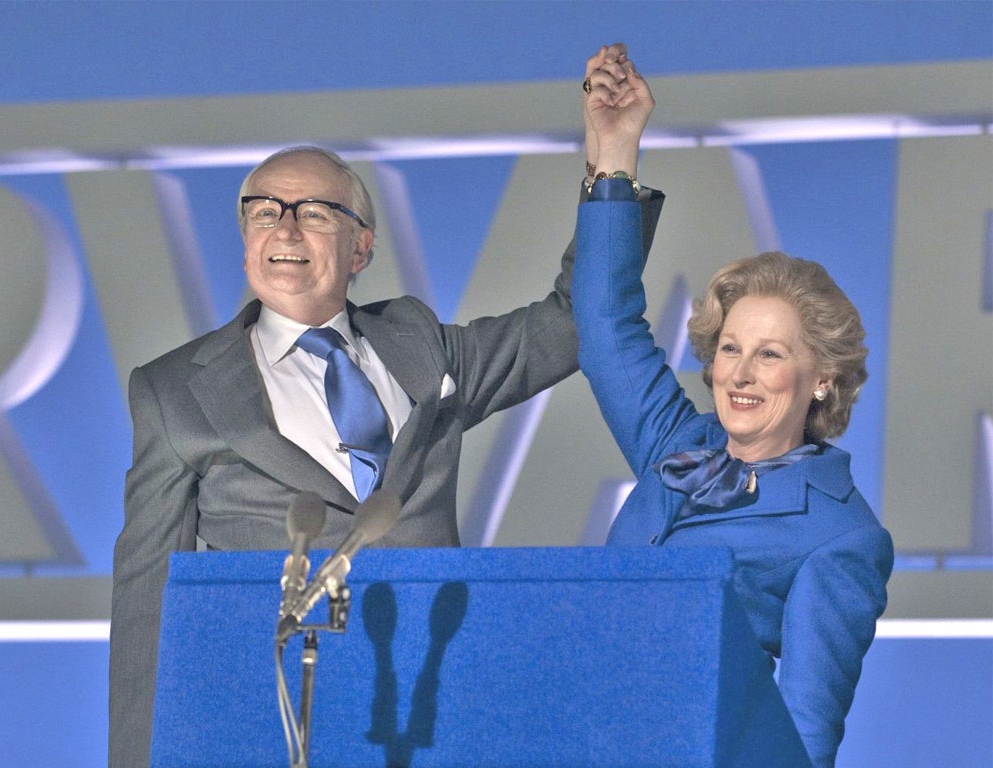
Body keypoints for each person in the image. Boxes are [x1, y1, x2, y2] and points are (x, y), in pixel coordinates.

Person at [109, 143, 664, 764]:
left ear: (361, 249)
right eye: (264, 212)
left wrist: (613, 166)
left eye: (314, 213)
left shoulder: (420, 346)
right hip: (280, 720)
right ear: (246, 242)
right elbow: (146, 598)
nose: (285, 229)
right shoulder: (175, 390)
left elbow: (570, 325)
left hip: (433, 704)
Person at [574, 45, 893, 768]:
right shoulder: (674, 442)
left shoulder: (842, 538)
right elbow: (603, 326)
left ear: (821, 378)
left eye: (770, 354)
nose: (740, 375)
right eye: (729, 348)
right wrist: (616, 154)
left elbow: (803, 734)